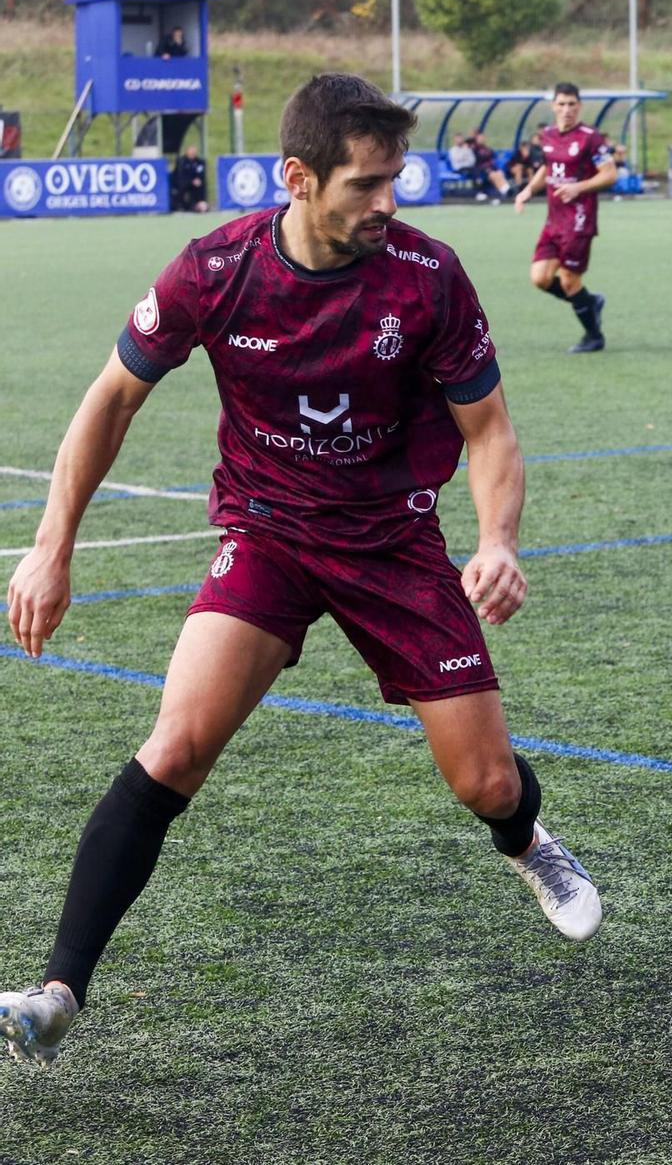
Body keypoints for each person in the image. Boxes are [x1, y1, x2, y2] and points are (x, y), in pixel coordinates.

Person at [0, 74, 600, 1067]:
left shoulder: (427, 276)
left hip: (394, 543)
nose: (388, 202)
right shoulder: (216, 269)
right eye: (366, 184)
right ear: (298, 178)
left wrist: (496, 540)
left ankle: (527, 841)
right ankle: (58, 991)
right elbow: (110, 401)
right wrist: (52, 544)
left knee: (487, 781)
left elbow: (487, 429)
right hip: (268, 534)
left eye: (394, 179)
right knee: (177, 743)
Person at [514, 83, 617, 354]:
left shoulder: (590, 138)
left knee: (569, 280)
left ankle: (594, 336)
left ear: (579, 106)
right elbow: (547, 168)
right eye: (561, 104)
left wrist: (578, 187)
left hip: (580, 220)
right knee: (540, 278)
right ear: (553, 106)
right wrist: (528, 190)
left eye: (572, 104)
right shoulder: (547, 135)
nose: (567, 109)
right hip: (554, 220)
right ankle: (589, 301)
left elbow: (609, 174)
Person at [468, 129, 510, 203]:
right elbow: (477, 162)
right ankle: (505, 191)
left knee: (499, 173)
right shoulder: (474, 148)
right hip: (481, 170)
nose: (481, 139)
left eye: (482, 137)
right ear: (476, 139)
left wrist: (497, 169)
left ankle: (506, 190)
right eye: (479, 138)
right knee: (493, 175)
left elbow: (492, 160)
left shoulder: (488, 149)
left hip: (490, 169)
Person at [169, 141, 208, 214]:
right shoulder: (181, 161)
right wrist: (191, 181)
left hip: (196, 183)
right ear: (187, 151)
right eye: (191, 151)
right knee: (182, 186)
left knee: (201, 185)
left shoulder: (199, 162)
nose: (192, 153)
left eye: (194, 151)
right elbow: (180, 175)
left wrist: (197, 180)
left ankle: (201, 203)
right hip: (183, 182)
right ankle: (182, 206)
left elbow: (201, 174)